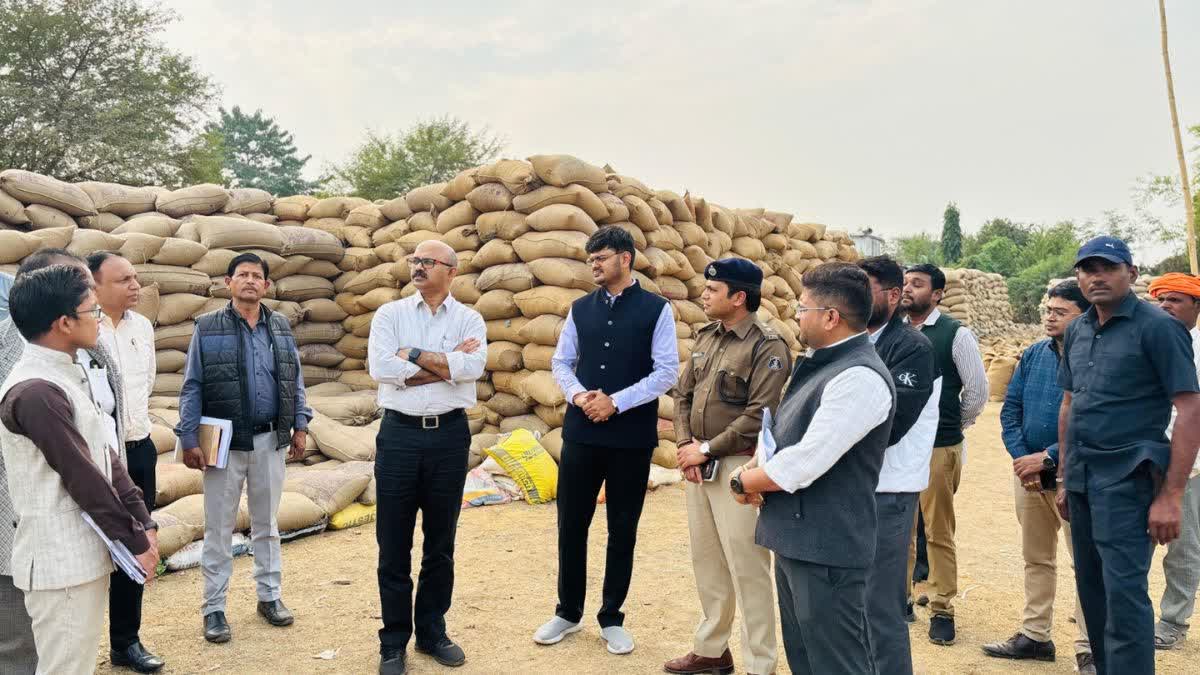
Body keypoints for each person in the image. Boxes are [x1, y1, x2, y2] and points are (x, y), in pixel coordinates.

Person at [732, 262, 896, 674]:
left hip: (827, 547)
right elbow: (785, 438)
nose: (796, 316)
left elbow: (807, 460)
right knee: (806, 659)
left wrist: (743, 479)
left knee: (837, 663)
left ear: (830, 317)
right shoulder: (822, 363)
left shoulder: (858, 377)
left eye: (802, 308)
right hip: (798, 538)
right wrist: (758, 466)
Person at [0, 264, 159, 675]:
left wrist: (141, 517)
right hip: (59, 561)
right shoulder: (35, 391)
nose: (101, 321)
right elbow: (83, 476)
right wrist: (134, 539)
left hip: (78, 555)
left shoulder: (65, 376)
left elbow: (106, 455)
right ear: (64, 323)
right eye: (93, 312)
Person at [1056, 236, 1200, 674]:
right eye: (1087, 268)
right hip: (1082, 477)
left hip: (1129, 478)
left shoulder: (1159, 327)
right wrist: (1064, 476)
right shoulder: (1079, 329)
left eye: (1108, 268)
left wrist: (1171, 495)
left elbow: (1190, 408)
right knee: (1092, 591)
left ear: (1132, 274)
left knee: (1123, 595)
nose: (1096, 276)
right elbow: (1069, 404)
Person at [535, 225, 679, 656]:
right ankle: (567, 612)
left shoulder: (658, 309)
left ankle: (612, 617)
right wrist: (580, 396)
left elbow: (666, 371)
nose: (593, 265)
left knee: (622, 529)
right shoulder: (580, 309)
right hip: (581, 433)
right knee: (570, 524)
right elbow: (561, 362)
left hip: (631, 437)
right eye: (590, 259)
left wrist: (616, 402)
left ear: (625, 259)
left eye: (600, 258)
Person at [176, 252, 312, 644]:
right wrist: (188, 437)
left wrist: (300, 424)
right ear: (228, 283)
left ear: (266, 286)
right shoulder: (208, 327)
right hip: (225, 443)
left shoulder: (282, 327)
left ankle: (269, 597)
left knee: (267, 524)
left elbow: (294, 380)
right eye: (243, 275)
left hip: (271, 439)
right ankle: (214, 608)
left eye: (257, 276)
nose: (250, 281)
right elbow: (193, 386)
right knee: (218, 527)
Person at [367, 240, 487, 675]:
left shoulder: (469, 317)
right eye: (414, 260)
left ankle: (432, 632)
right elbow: (381, 368)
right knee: (393, 543)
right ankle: (394, 640)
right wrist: (446, 365)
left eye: (427, 261)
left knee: (441, 543)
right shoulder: (390, 314)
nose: (417, 266)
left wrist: (413, 355)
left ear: (450, 271)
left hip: (449, 437)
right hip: (399, 436)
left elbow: (472, 370)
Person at [664, 258, 789, 675]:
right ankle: (712, 650)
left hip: (739, 466)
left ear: (739, 297)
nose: (704, 294)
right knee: (708, 561)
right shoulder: (706, 337)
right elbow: (682, 395)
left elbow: (760, 414)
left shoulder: (767, 345)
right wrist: (685, 445)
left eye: (713, 290)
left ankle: (760, 664)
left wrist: (707, 449)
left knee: (747, 566)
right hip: (698, 465)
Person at [982, 280, 1093, 674]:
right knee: (1036, 558)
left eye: (1060, 311)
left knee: (1087, 563)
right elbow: (1010, 410)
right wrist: (1022, 460)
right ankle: (1035, 636)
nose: (1049, 316)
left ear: (1086, 315)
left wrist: (1048, 458)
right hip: (1028, 476)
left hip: (1076, 476)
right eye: (1048, 309)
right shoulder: (1033, 354)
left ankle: (1090, 646)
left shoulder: (1100, 357)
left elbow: (1100, 420)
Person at [859, 256, 940, 675]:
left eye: (863, 287)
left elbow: (886, 426)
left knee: (880, 606)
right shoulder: (855, 342)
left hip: (889, 488)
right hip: (855, 486)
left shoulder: (911, 347)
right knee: (853, 603)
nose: (851, 295)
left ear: (892, 296)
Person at [901, 263, 988, 645]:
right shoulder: (895, 332)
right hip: (900, 448)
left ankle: (941, 607)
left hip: (938, 446)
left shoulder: (955, 334)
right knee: (899, 528)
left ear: (936, 294)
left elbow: (977, 391)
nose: (907, 290)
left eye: (916, 285)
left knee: (937, 531)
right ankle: (899, 597)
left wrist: (953, 425)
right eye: (904, 283)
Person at [85, 252, 163, 673]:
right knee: (89, 549)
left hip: (138, 448)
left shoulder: (143, 328)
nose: (135, 286)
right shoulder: (82, 329)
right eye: (124, 280)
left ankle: (125, 641)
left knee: (136, 543)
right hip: (95, 457)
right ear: (94, 286)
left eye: (136, 278)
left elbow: (145, 383)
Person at [1147, 273, 1200, 650]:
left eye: (1176, 300)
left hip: (1191, 463)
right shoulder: (1148, 339)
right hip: (1145, 455)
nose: (1165, 305)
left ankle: (1173, 620)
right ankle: (1129, 608)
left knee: (1182, 544)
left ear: (1197, 306)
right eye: (1160, 299)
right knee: (1134, 539)